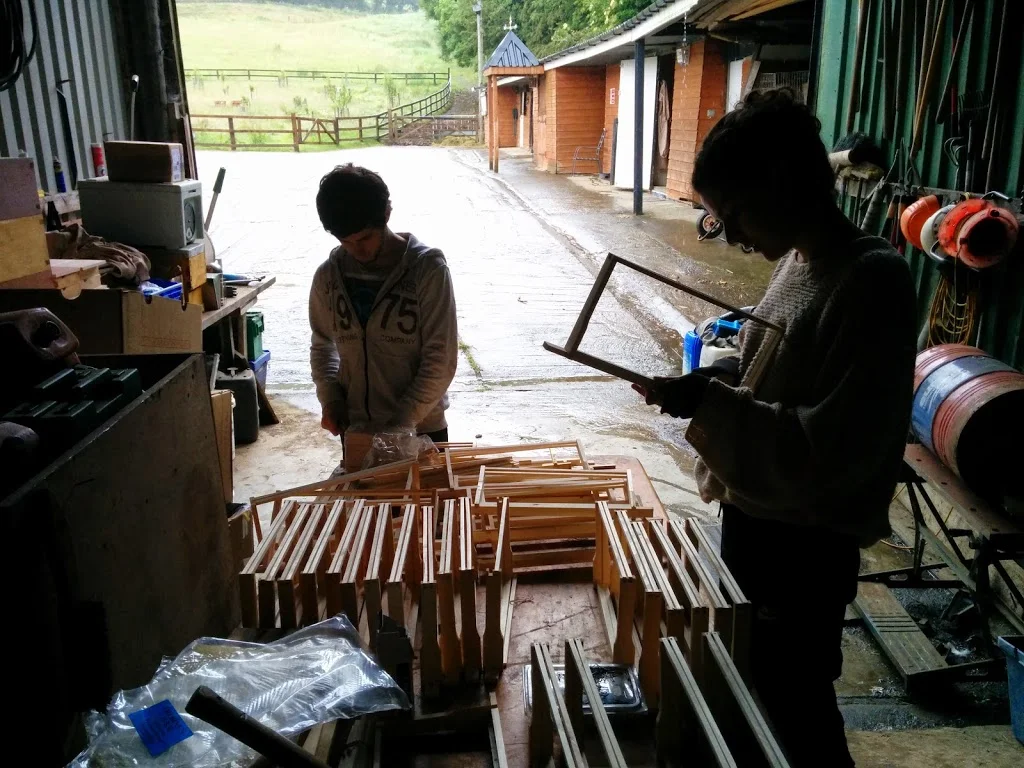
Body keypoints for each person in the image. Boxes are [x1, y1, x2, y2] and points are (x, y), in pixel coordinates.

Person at [638, 90, 916, 765]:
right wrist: (721, 376)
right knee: (752, 691)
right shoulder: (795, 263)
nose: (730, 236)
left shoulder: (871, 279)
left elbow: (832, 452)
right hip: (758, 521)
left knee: (797, 708)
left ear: (783, 183)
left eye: (731, 214)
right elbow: (779, 364)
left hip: (805, 551)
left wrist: (709, 405)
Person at [309, 164, 457, 446]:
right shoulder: (328, 276)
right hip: (357, 428)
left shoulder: (427, 271)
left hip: (421, 429)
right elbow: (323, 344)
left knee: (427, 491)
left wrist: (401, 423)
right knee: (362, 491)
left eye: (365, 238)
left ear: (387, 214)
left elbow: (441, 359)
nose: (357, 250)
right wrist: (330, 400)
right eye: (345, 241)